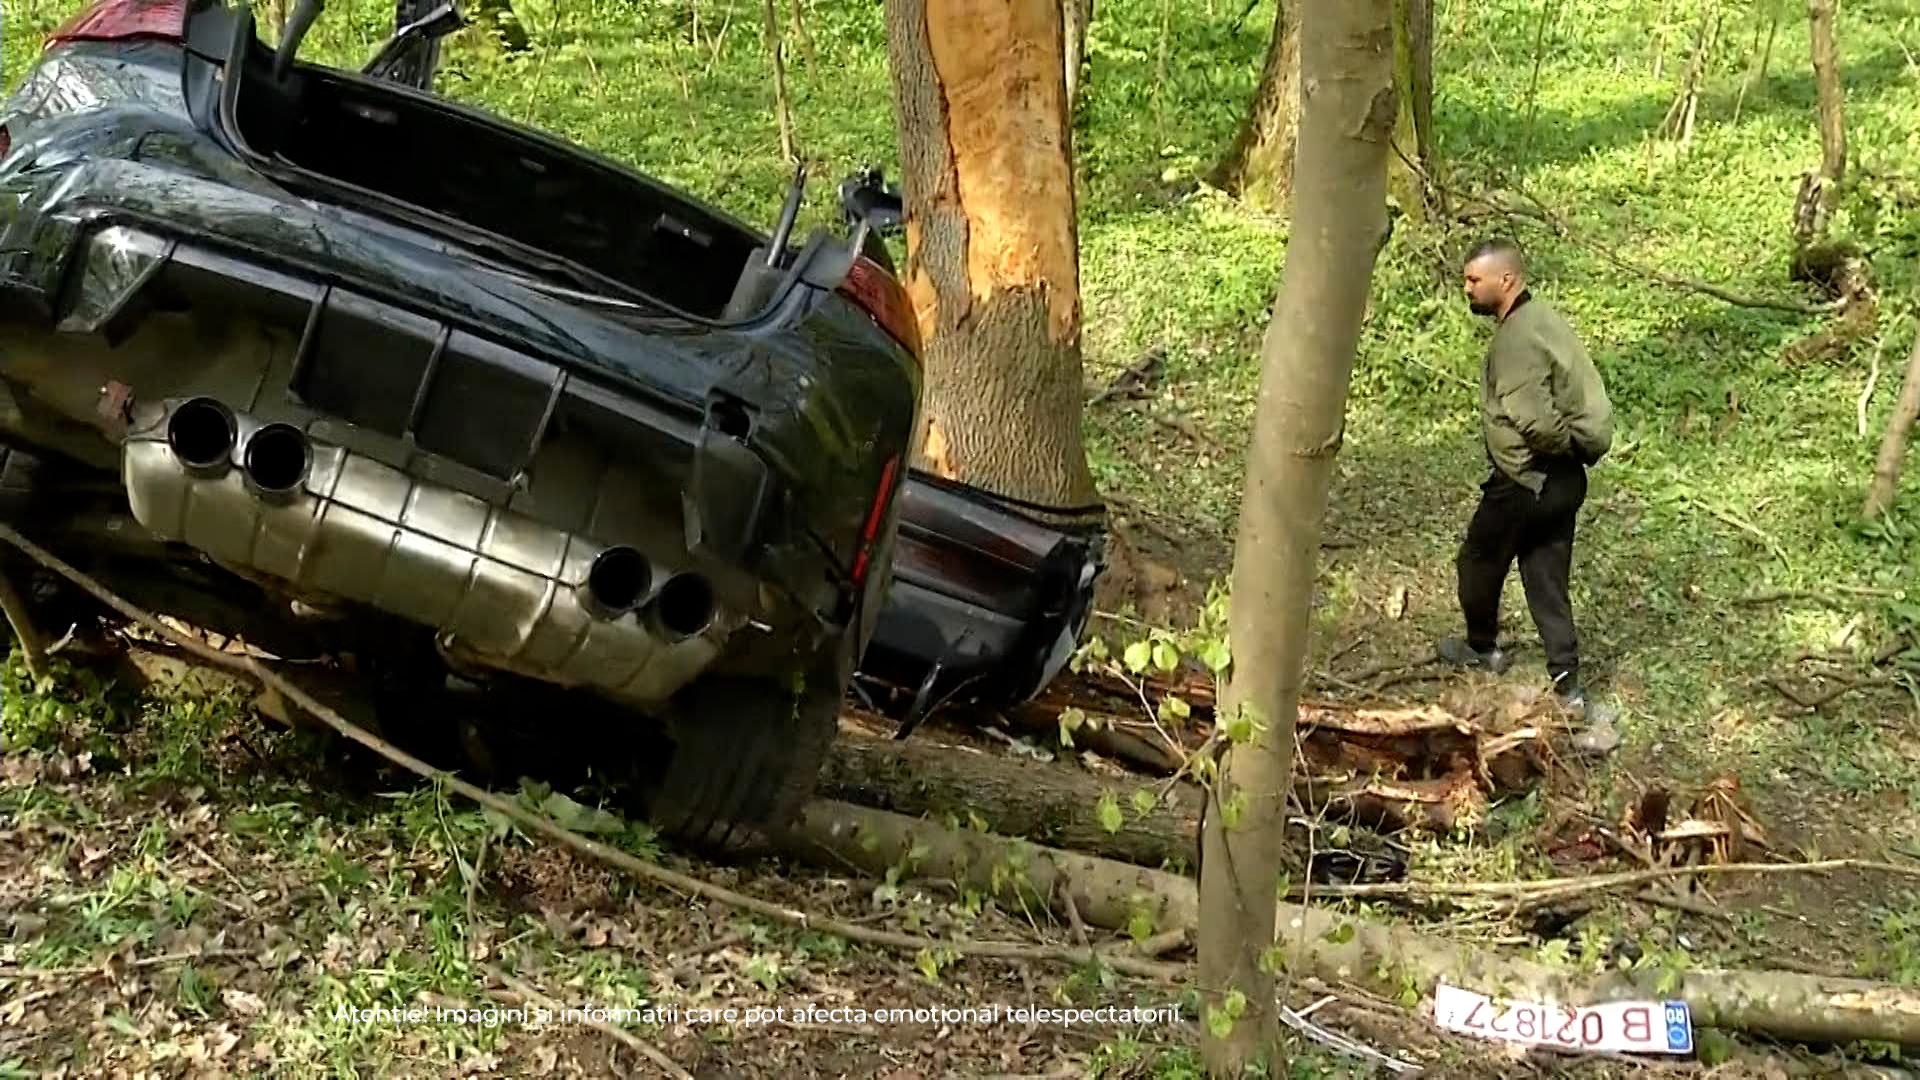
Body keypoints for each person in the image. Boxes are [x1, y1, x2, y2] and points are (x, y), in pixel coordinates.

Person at [1438, 238, 1613, 717]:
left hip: (1526, 480)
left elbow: (1535, 421)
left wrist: (1555, 454)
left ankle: (1481, 648)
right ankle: (1568, 686)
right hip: (1564, 483)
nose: (1467, 288)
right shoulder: (1541, 318)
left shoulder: (1514, 339)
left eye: (1475, 279)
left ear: (1507, 280)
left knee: (1477, 561)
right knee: (1546, 578)